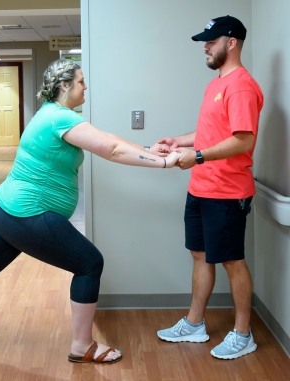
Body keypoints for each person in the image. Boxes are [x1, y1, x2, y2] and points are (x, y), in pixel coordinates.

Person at [0, 59, 180, 363]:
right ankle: (82, 346)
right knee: (89, 264)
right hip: (26, 212)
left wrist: (147, 148)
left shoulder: (54, 115)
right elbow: (110, 150)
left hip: (6, 206)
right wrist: (163, 163)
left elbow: (110, 140)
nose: (86, 86)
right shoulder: (58, 118)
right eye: (82, 81)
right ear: (65, 85)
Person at [153, 16, 264, 360]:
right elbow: (212, 133)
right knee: (200, 256)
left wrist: (197, 155)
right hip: (201, 188)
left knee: (232, 260)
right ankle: (195, 323)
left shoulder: (241, 86)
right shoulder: (217, 84)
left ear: (231, 43)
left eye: (212, 40)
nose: (205, 45)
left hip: (228, 192)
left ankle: (243, 334)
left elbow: (243, 140)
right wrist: (179, 141)